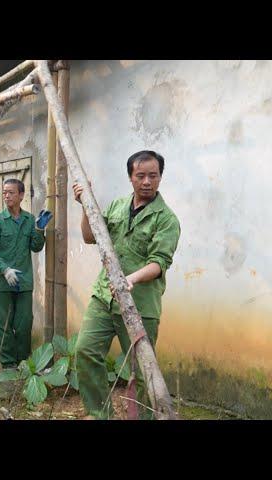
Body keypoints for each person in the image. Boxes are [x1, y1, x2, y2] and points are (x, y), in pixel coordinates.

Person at [73, 150, 181, 419]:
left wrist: (130, 279)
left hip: (139, 303)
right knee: (85, 352)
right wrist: (86, 207)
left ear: (160, 177)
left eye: (153, 176)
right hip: (104, 296)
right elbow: (90, 237)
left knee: (143, 371)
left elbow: (159, 263)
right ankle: (100, 415)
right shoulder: (117, 207)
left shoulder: (166, 219)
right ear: (130, 177)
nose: (147, 181)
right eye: (140, 175)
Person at [0, 178, 51, 368]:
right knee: (3, 325)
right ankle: (7, 364)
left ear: (21, 195)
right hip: (2, 282)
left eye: (11, 192)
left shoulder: (30, 220)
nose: (6, 196)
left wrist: (39, 229)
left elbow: (36, 247)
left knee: (24, 324)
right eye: (4, 192)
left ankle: (22, 362)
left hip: (24, 282)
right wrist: (4, 269)